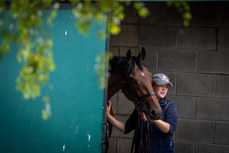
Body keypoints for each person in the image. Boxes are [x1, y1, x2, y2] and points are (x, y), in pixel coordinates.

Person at [107, 73, 178, 153]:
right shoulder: (141, 106)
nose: (164, 89)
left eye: (166, 86)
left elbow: (170, 130)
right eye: (161, 85)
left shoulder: (169, 106)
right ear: (152, 86)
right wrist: (109, 117)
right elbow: (125, 128)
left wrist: (152, 119)